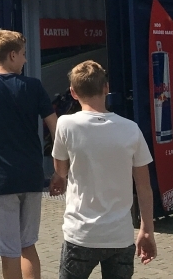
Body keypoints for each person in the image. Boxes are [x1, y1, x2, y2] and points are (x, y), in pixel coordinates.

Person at [0, 30, 58, 279]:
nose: (26, 60)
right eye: (24, 55)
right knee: (28, 245)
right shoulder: (33, 86)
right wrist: (61, 166)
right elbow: (54, 126)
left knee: (9, 250)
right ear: (12, 55)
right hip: (31, 177)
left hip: (0, 179)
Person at [50, 60, 157, 279]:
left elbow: (60, 170)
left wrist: (63, 174)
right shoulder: (131, 129)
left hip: (80, 234)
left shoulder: (66, 124)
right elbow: (144, 187)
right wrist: (147, 229)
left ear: (73, 92)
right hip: (119, 235)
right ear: (106, 88)